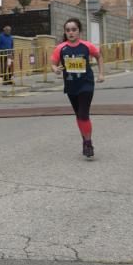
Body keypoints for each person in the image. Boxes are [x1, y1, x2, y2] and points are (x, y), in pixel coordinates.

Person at [50, 18, 105, 159]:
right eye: (68, 30)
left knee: (83, 114)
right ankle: (85, 140)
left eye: (74, 29)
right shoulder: (61, 48)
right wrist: (56, 69)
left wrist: (101, 74)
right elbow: (53, 63)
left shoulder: (87, 46)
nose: (71, 32)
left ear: (79, 31)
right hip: (71, 86)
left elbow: (99, 57)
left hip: (86, 84)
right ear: (65, 32)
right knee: (78, 114)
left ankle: (88, 143)